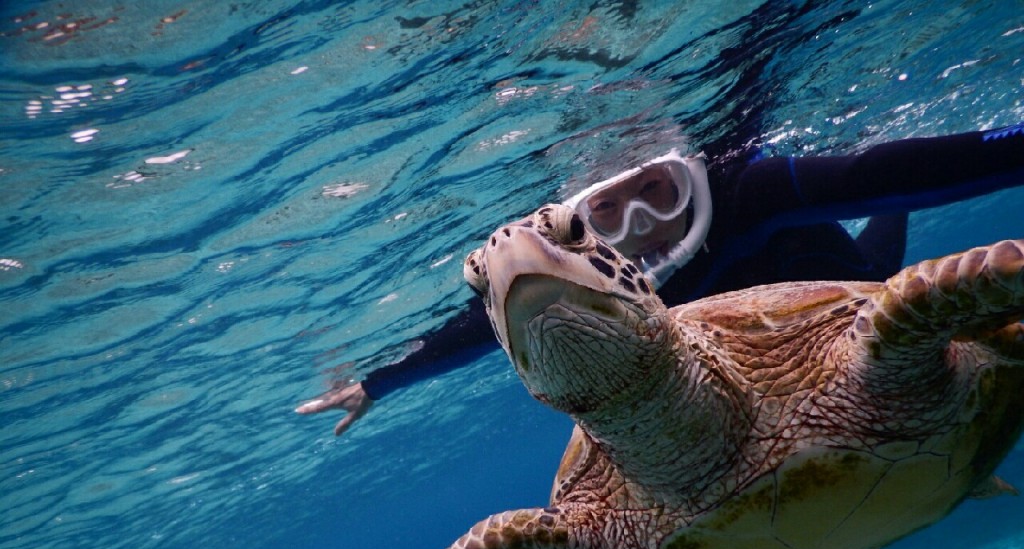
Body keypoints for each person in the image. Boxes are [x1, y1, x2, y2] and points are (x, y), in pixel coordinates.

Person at [297, 123, 1024, 435]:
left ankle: (885, 258)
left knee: (886, 270)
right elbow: (485, 319)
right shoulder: (593, 278)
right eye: (605, 213)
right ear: (583, 228)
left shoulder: (744, 193)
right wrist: (377, 384)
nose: (642, 225)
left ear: (690, 176)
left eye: (658, 190)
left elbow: (889, 171)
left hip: (836, 283)